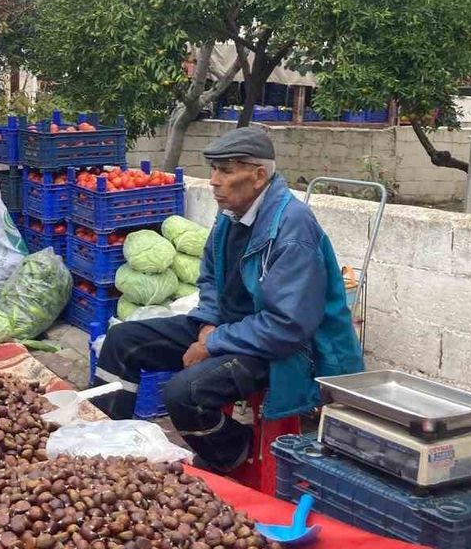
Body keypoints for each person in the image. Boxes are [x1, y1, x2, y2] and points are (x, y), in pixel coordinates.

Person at [92, 127, 365, 473]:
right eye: (214, 170)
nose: (213, 181)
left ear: (258, 176)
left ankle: (238, 456)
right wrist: (208, 323)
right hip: (234, 328)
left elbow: (288, 326)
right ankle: (101, 445)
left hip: (286, 349)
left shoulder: (293, 227)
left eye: (226, 170)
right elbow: (210, 278)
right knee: (122, 341)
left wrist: (213, 342)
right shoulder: (231, 215)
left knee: (184, 393)